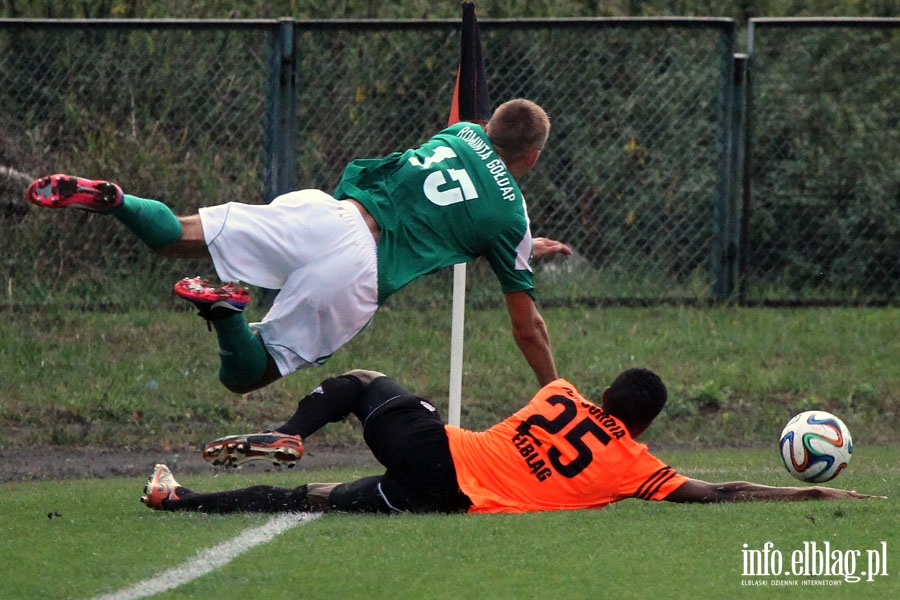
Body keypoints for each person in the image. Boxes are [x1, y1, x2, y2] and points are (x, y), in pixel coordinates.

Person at [26, 99, 572, 394]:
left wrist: (520, 245)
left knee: (178, 237)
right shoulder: (510, 215)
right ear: (534, 158)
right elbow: (528, 327)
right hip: (358, 271)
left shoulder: (460, 134)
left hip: (325, 215)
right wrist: (556, 391)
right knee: (248, 373)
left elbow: (456, 196)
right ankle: (225, 314)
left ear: (488, 124)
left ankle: (117, 199)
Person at [140, 368, 882, 514]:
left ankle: (290, 431)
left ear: (603, 394)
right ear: (647, 423)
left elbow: (559, 382)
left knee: (366, 382)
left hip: (440, 452)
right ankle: (183, 500)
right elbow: (717, 491)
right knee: (316, 500)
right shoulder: (636, 466)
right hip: (450, 500)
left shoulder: (557, 395)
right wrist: (811, 489)